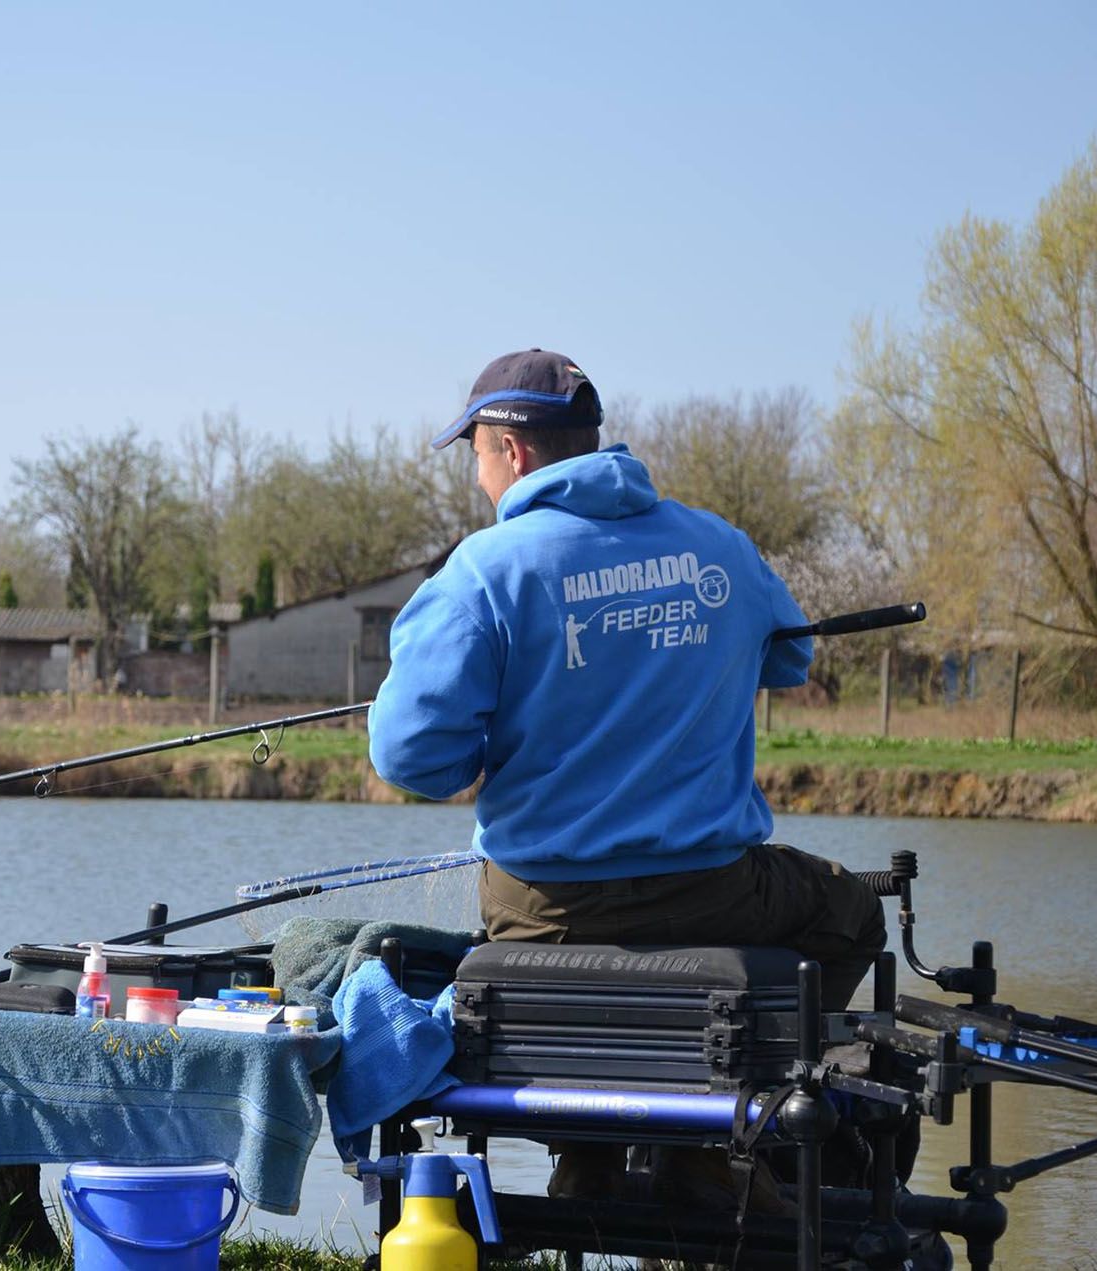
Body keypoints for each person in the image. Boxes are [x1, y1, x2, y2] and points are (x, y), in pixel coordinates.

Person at [367, 349, 886, 1205]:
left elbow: (409, 758)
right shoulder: (717, 546)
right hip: (714, 888)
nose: (478, 478)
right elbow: (791, 655)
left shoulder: (480, 575)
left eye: (476, 457)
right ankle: (736, 1116)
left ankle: (593, 1153)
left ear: (514, 452)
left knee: (538, 976)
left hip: (541, 904)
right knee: (851, 912)